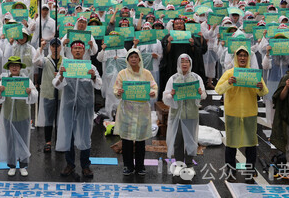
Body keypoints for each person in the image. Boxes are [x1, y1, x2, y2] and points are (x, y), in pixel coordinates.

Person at [215, 47, 268, 183]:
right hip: (233, 113)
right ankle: (231, 170)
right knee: (231, 144)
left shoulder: (253, 74)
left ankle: (250, 172)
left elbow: (263, 92)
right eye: (240, 56)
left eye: (245, 55)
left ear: (248, 58)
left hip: (250, 113)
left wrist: (260, 87)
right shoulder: (229, 73)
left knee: (251, 144)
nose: (242, 58)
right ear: (236, 58)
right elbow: (218, 89)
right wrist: (229, 82)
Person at [53, 40, 102, 179]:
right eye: (75, 49)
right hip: (69, 106)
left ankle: (85, 165)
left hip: (85, 108)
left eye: (80, 48)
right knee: (69, 135)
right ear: (71, 51)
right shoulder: (65, 65)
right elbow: (56, 85)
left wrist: (93, 77)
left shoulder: (91, 67)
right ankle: (70, 164)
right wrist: (61, 75)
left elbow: (99, 85)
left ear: (85, 51)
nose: (78, 51)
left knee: (85, 135)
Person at [113, 48, 158, 176]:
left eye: (136, 57)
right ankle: (128, 165)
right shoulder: (122, 73)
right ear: (127, 59)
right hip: (127, 109)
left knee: (140, 140)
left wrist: (153, 92)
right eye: (131, 57)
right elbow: (116, 87)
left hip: (142, 109)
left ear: (139, 59)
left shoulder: (146, 73)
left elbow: (154, 86)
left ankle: (140, 166)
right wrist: (118, 92)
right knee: (126, 139)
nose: (133, 59)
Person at [0, 56, 38, 177]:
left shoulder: (26, 81)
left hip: (23, 115)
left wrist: (30, 92)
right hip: (9, 116)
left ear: (20, 68)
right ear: (8, 68)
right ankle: (12, 165)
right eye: (12, 65)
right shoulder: (4, 81)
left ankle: (23, 165)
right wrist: (0, 92)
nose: (14, 67)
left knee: (24, 139)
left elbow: (35, 96)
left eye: (16, 65)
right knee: (10, 140)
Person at [162, 54, 206, 174]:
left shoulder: (196, 78)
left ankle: (189, 164)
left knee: (191, 140)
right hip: (177, 115)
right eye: (182, 62)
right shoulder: (173, 78)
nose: (184, 64)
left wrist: (200, 93)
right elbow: (165, 96)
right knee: (178, 140)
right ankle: (179, 163)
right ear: (178, 64)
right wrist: (171, 94)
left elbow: (203, 95)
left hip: (191, 114)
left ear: (190, 64)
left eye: (187, 62)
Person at [159, 17, 207, 101]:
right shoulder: (169, 36)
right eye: (177, 24)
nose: (179, 26)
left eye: (181, 24)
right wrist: (169, 43)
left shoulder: (190, 36)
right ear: (173, 26)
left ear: (184, 26)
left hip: (187, 64)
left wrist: (192, 44)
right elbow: (165, 52)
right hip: (172, 64)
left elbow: (198, 51)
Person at [36, 38, 62, 153]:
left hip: (61, 94)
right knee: (49, 119)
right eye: (53, 46)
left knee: (61, 119)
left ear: (61, 47)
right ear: (50, 47)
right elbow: (35, 61)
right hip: (48, 93)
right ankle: (48, 142)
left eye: (57, 46)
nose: (55, 48)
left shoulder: (65, 61)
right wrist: (41, 48)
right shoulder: (45, 60)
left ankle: (60, 141)